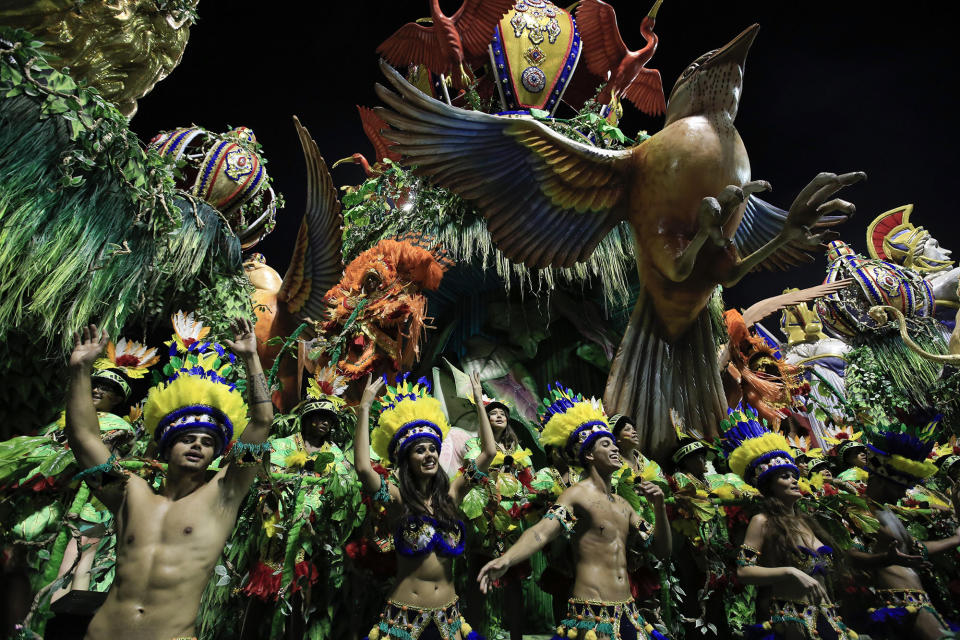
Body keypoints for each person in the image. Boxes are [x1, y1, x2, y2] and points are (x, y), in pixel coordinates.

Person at [63, 314, 272, 640]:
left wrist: (251, 357)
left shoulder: (223, 494)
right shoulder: (130, 494)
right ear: (166, 447)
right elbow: (84, 438)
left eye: (207, 442)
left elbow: (261, 422)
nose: (198, 446)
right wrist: (79, 371)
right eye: (188, 438)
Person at [478, 385, 672, 640]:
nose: (615, 449)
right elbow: (541, 532)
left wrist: (659, 508)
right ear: (589, 455)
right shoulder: (577, 495)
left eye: (615, 444)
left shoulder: (624, 506)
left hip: (629, 612)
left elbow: (661, 550)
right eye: (606, 444)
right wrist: (507, 559)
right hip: (591, 616)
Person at [353, 370, 495, 640]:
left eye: (433, 448)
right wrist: (364, 407)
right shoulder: (398, 499)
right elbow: (362, 468)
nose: (429, 454)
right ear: (407, 459)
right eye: (420, 450)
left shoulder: (453, 494)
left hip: (449, 619)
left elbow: (489, 453)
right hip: (405, 619)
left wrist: (479, 403)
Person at [724, 405, 860, 640]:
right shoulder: (762, 521)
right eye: (785, 477)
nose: (795, 481)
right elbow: (744, 571)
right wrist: (790, 572)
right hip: (792, 623)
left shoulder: (806, 522)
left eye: (795, 476)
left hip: (830, 621)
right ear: (769, 486)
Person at [847, 415, 960, 640]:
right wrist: (884, 560)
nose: (902, 494)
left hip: (921, 600)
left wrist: (955, 539)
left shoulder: (888, 513)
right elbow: (849, 555)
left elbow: (915, 549)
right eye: (898, 487)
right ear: (878, 480)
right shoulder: (857, 510)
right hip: (896, 603)